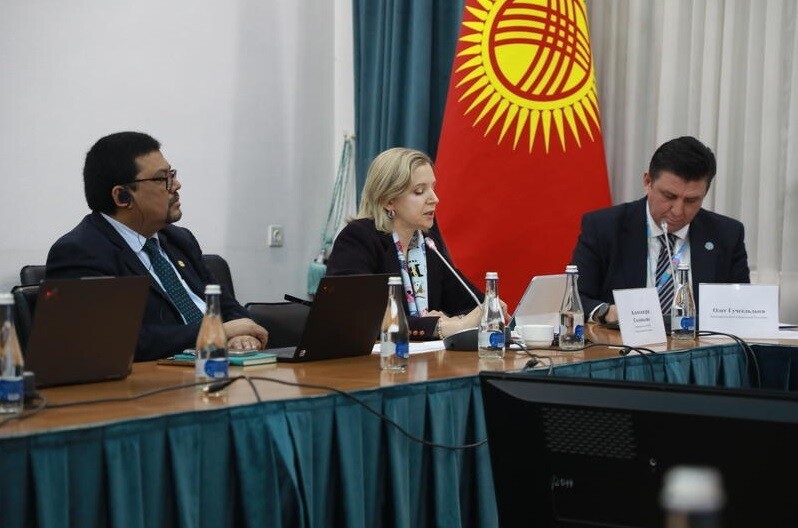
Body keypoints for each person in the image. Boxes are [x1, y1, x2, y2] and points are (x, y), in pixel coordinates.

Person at [46, 132, 268, 361]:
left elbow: (226, 306)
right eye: (162, 179)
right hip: (155, 376)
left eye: (172, 174)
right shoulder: (81, 252)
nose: (176, 185)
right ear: (122, 196)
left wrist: (242, 334)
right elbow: (111, 340)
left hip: (218, 365)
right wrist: (214, 333)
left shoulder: (180, 240)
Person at [571, 136, 750, 325]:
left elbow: (742, 307)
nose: (678, 211)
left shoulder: (727, 235)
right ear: (648, 182)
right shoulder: (604, 227)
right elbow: (576, 297)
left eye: (691, 200)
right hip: (624, 342)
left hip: (697, 342)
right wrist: (606, 312)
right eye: (669, 196)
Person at [326, 147, 486, 340]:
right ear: (388, 201)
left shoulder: (428, 243)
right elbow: (358, 316)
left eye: (433, 188)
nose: (434, 199)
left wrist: (463, 319)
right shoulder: (358, 238)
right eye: (419, 191)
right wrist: (439, 326)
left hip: (424, 357)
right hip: (372, 357)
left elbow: (473, 305)